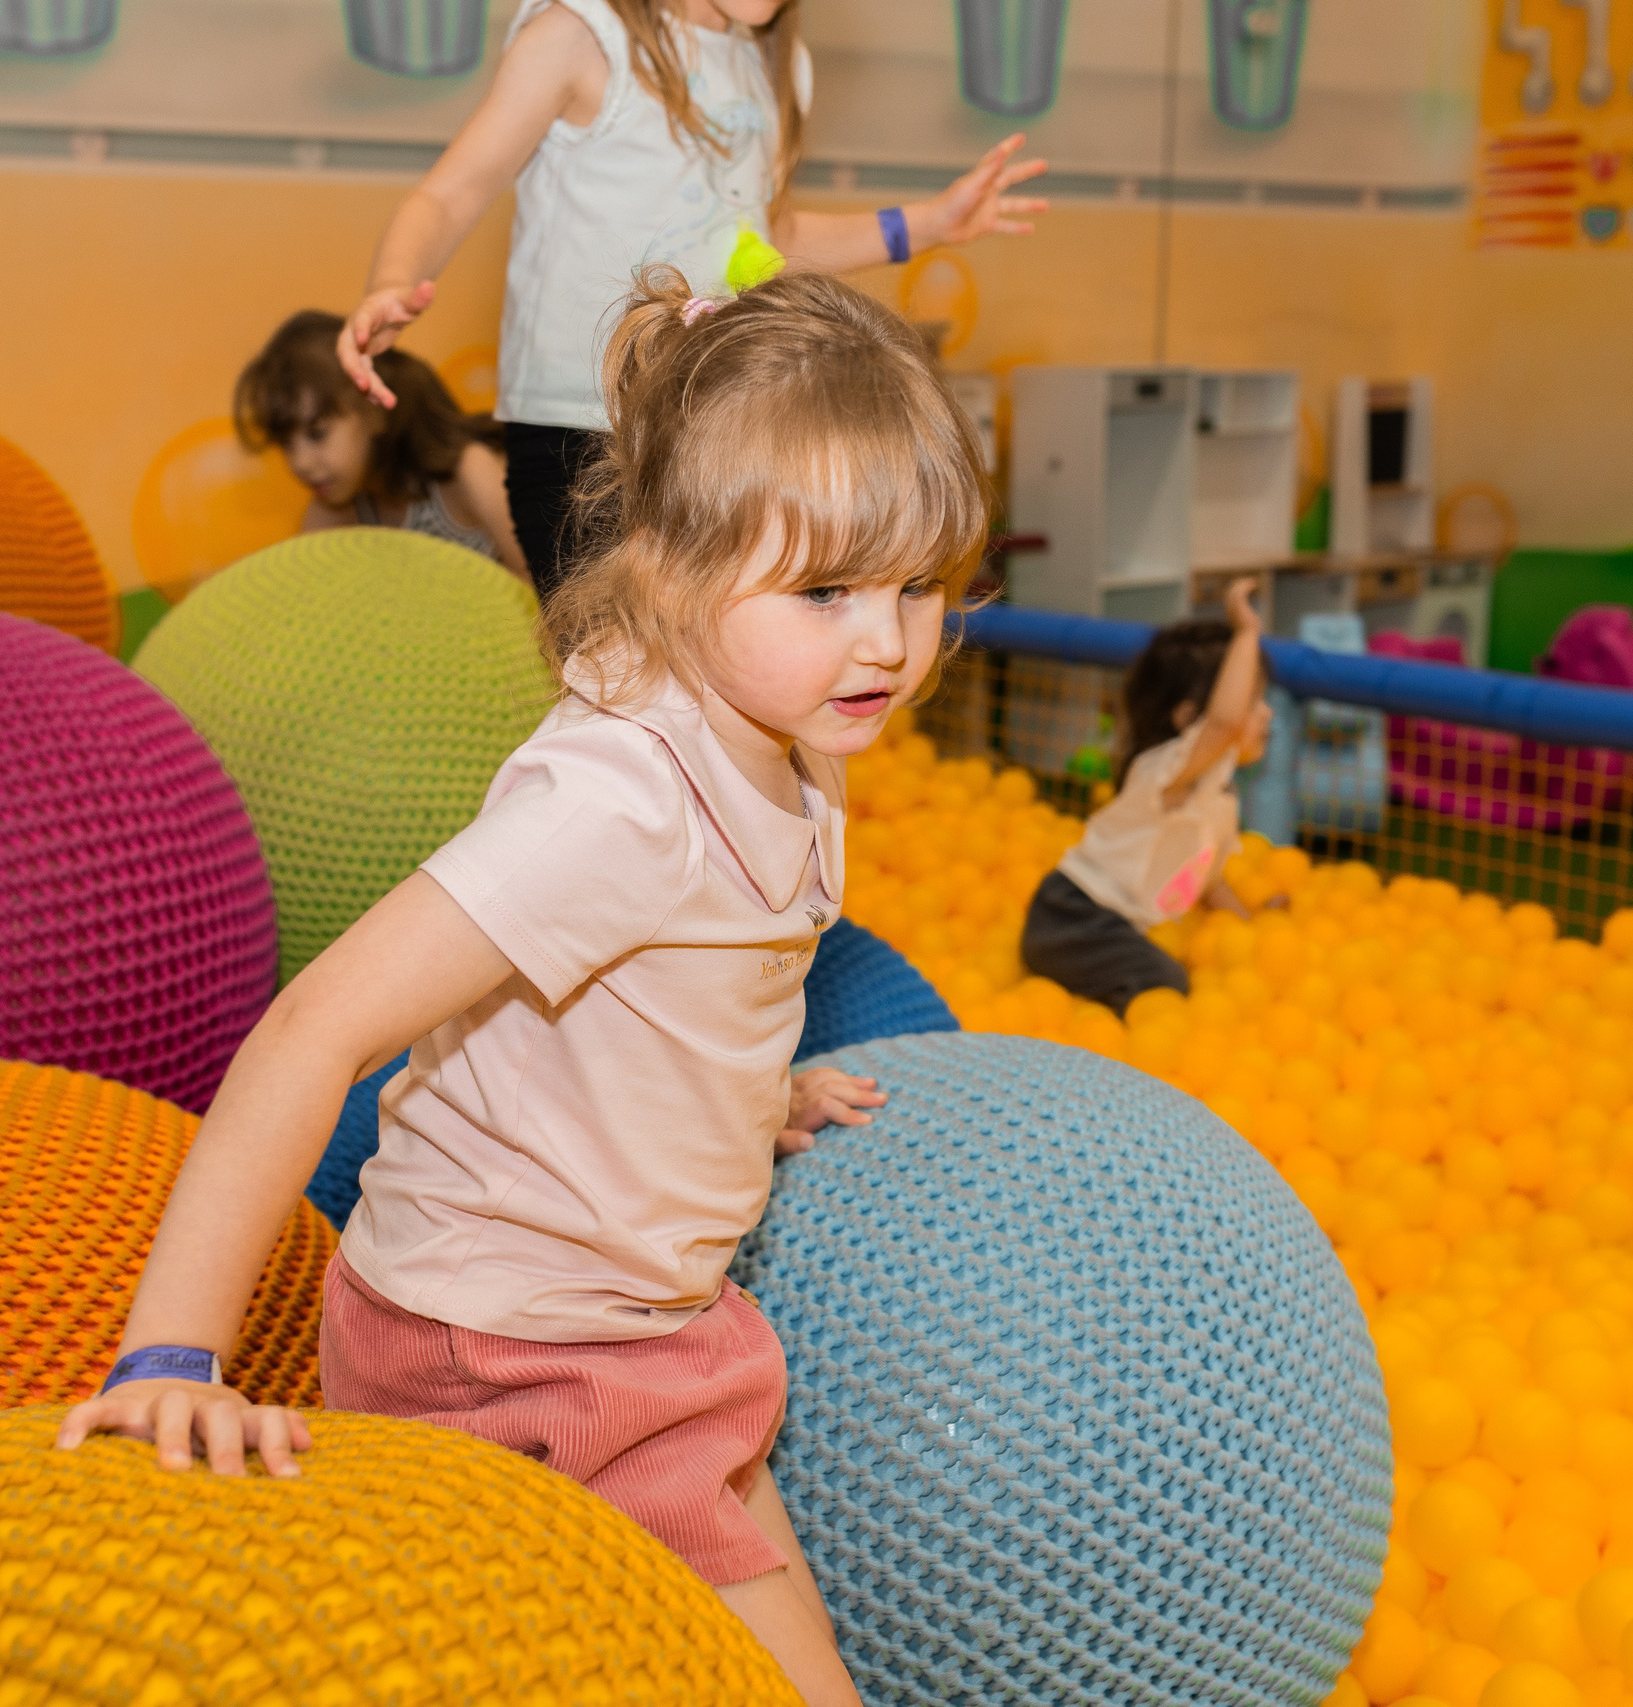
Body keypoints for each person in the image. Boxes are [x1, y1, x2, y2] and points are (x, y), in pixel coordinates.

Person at [58, 270, 989, 1705]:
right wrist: (167, 1350)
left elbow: (671, 981)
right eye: (826, 590)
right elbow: (317, 1023)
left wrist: (739, 1093)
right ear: (677, 572)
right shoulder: (616, 801)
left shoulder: (796, 737)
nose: (885, 640)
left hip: (643, 1312)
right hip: (501, 1344)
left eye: (915, 586)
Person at [331, 0, 1047, 602]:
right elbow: (452, 191)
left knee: (717, 673)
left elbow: (770, 236)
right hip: (582, 428)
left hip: (714, 424)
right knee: (611, 672)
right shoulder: (583, 34)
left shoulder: (774, 63)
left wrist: (926, 225)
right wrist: (393, 281)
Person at [1019, 580, 1272, 1017]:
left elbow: (1206, 879)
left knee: (1172, 970)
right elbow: (1225, 723)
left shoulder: (1220, 797)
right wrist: (1247, 633)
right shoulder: (1161, 776)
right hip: (1073, 919)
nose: (1266, 714)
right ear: (1189, 719)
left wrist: (1249, 926)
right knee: (1168, 986)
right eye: (1254, 701)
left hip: (1120, 929)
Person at [236, 310, 528, 581]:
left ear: (374, 411)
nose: (300, 463)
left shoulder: (468, 473)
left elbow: (544, 595)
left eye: (317, 433)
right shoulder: (336, 510)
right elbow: (302, 604)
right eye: (286, 443)